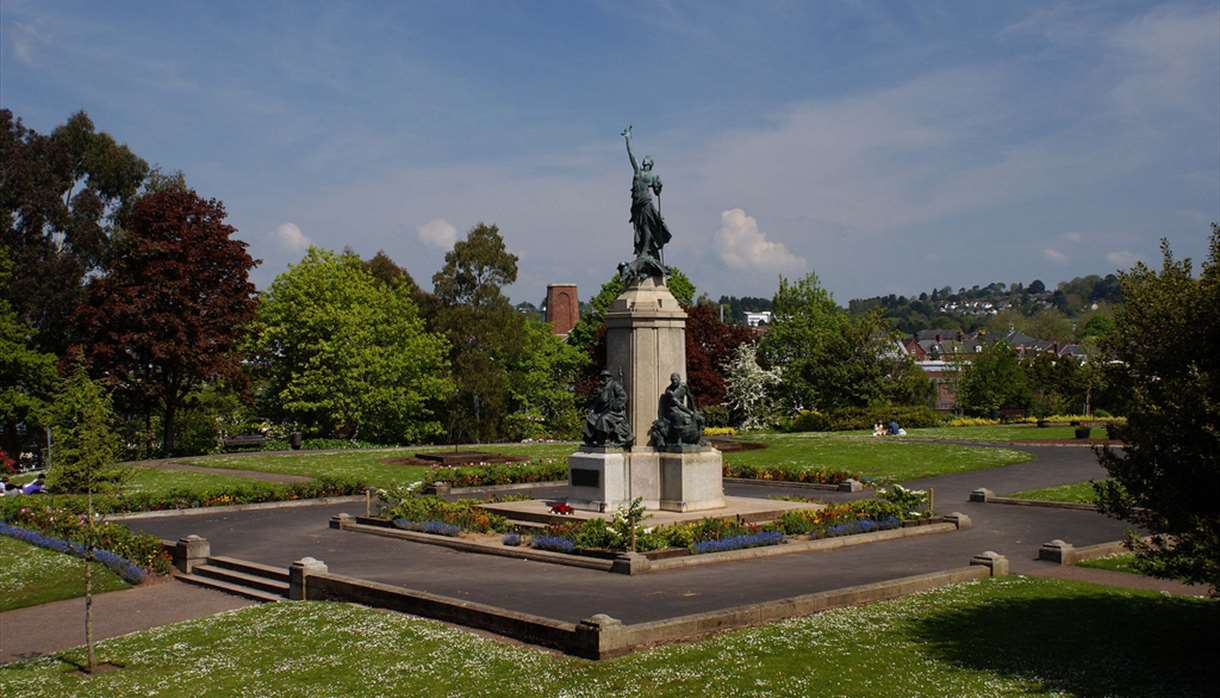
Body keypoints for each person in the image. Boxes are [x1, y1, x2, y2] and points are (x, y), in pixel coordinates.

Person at [623, 125, 672, 264]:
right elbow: (631, 155)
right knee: (639, 228)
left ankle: (645, 251)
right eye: (644, 158)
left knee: (647, 226)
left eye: (647, 159)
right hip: (636, 205)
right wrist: (627, 139)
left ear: (650, 164)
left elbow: (657, 192)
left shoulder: (652, 176)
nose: (645, 159)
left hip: (646, 202)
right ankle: (643, 251)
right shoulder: (638, 171)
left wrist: (659, 186)